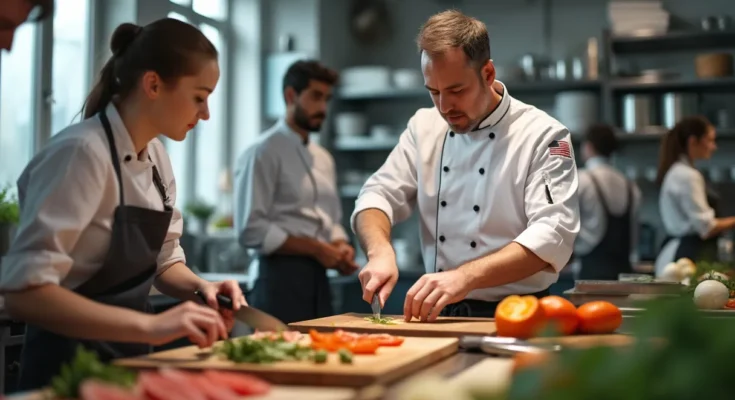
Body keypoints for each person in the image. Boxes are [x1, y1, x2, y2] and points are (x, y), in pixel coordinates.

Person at [0, 19, 247, 391]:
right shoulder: (81, 154)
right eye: (199, 96)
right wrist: (152, 325)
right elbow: (23, 294)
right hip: (64, 374)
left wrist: (202, 287)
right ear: (153, 84)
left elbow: (165, 261)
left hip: (129, 367)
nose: (206, 113)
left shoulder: (157, 159)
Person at [352, 10, 579, 321]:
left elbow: (552, 234)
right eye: (434, 92)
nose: (445, 107)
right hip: (439, 316)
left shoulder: (543, 135)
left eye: (456, 91)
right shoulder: (424, 127)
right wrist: (380, 252)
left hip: (518, 316)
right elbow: (377, 194)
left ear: (487, 74)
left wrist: (464, 277)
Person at [233, 60, 359, 324]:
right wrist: (315, 248)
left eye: (327, 98)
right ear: (291, 95)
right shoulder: (262, 152)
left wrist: (339, 246)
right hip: (278, 279)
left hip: (320, 280)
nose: (323, 108)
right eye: (315, 96)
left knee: (321, 358)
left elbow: (331, 219)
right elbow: (250, 229)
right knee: (278, 359)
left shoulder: (323, 158)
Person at [655, 116, 735, 274]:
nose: (714, 147)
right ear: (693, 141)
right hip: (687, 256)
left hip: (680, 253)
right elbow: (706, 227)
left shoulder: (678, 171)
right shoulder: (688, 176)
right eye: (710, 140)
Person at [575, 124, 641, 280]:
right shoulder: (630, 185)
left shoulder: (581, 179)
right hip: (624, 270)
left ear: (588, 147)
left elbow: (567, 222)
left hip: (591, 270)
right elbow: (635, 234)